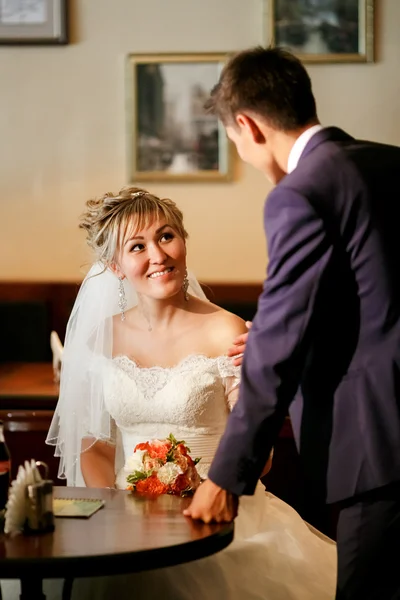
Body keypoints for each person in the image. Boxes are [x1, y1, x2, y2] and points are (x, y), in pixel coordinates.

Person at [5, 186, 335, 600]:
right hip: (127, 522)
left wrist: (207, 494)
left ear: (183, 241)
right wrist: (119, 518)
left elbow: (261, 453)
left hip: (221, 515)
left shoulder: (228, 331)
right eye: (137, 246)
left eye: (166, 236)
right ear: (116, 266)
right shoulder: (98, 339)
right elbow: (93, 446)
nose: (158, 255)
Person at [183, 46, 400, 600]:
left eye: (233, 141)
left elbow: (276, 346)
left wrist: (226, 477)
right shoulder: (387, 161)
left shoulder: (301, 193)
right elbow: (378, 297)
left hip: (382, 446)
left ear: (248, 126)